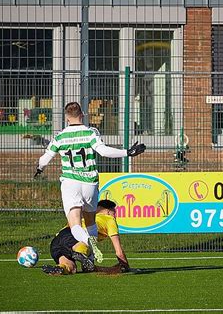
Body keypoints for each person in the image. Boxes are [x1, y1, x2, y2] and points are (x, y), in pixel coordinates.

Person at [35, 101, 145, 264]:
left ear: (66, 118)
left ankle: (87, 242)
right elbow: (103, 150)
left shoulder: (59, 137)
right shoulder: (90, 132)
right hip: (90, 183)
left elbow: (45, 158)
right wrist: (127, 152)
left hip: (71, 182)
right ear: (82, 115)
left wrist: (39, 168)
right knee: (91, 222)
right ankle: (91, 257)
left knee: (75, 225)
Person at [42, 199, 130, 275]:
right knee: (86, 241)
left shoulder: (87, 217)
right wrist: (126, 266)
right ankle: (80, 252)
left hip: (57, 240)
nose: (115, 216)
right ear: (108, 211)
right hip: (74, 238)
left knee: (71, 268)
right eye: (114, 212)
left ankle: (61, 268)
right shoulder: (109, 219)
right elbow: (119, 251)